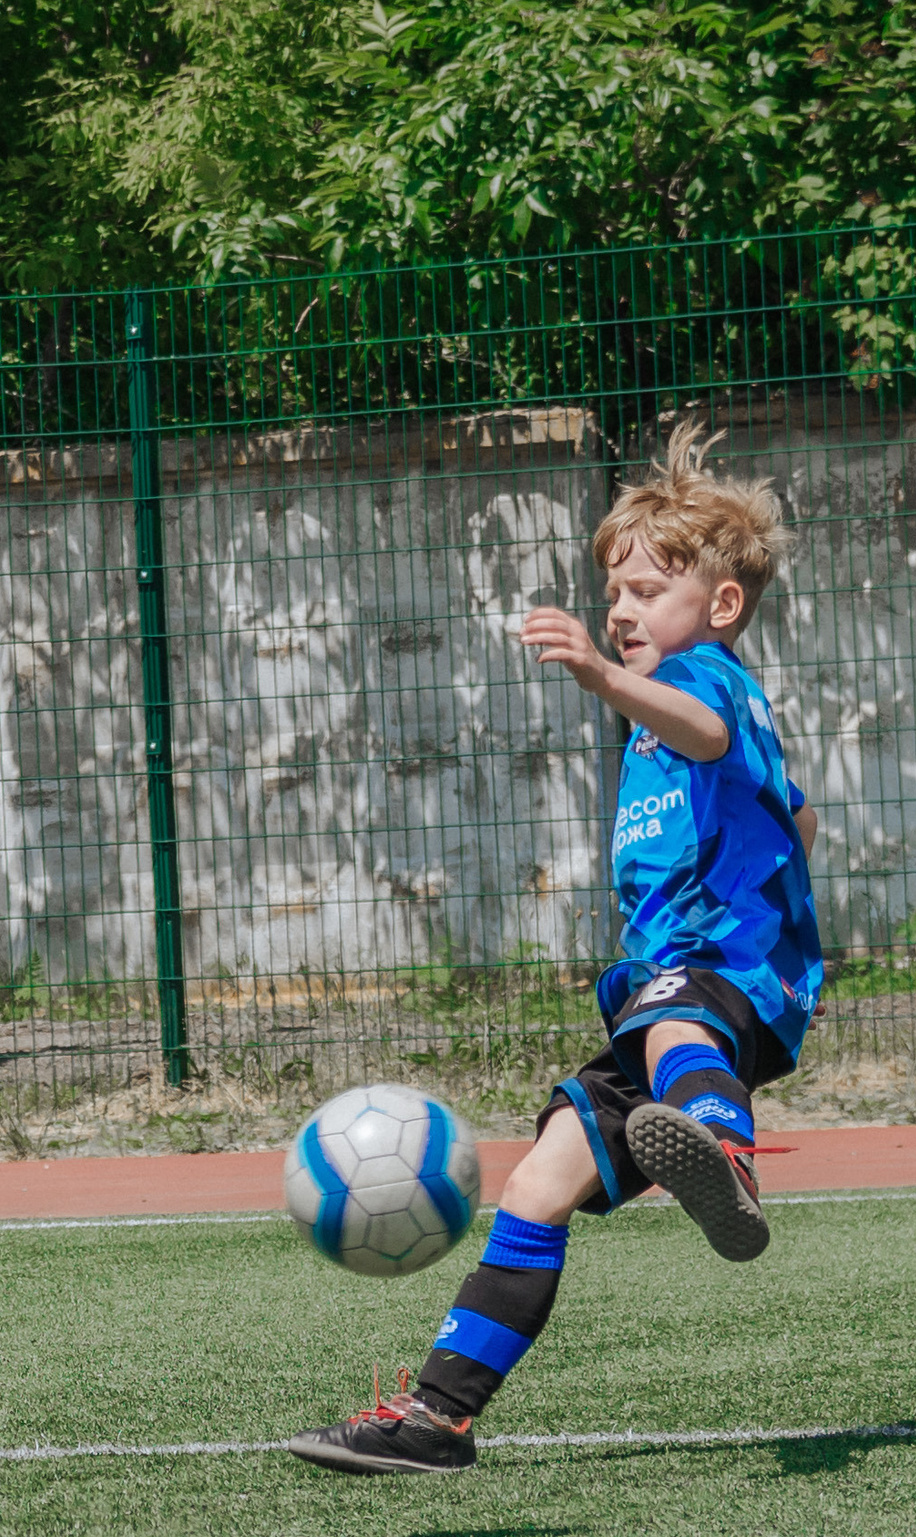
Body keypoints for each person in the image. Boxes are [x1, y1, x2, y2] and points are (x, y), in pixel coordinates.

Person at [287, 422, 822, 1475]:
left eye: (643, 591)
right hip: (678, 1005)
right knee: (536, 1184)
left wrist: (600, 677)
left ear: (717, 606)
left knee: (669, 1014)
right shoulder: (664, 712)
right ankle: (437, 1417)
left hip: (715, 976)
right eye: (609, 592)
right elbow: (794, 811)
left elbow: (709, 732)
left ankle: (726, 1151)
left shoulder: (704, 680)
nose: (618, 610)